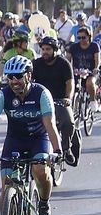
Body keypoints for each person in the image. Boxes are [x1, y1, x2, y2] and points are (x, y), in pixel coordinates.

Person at [0, 55, 61, 215]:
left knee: (40, 170)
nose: (14, 81)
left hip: (38, 139)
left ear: (28, 75)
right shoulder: (3, 95)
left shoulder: (41, 93)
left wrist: (56, 151)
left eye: (18, 76)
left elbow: (50, 124)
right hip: (15, 140)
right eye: (10, 77)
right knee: (6, 188)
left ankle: (43, 203)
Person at [31, 35, 77, 165]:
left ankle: (66, 149)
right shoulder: (36, 64)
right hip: (40, 101)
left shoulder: (64, 64)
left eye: (48, 49)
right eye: (43, 49)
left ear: (55, 50)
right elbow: (28, 81)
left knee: (68, 122)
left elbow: (70, 83)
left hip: (59, 101)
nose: (45, 52)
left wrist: (68, 98)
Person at [68, 25, 97, 107]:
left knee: (89, 83)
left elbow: (97, 60)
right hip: (76, 72)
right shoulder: (73, 47)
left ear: (89, 37)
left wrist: (96, 68)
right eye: (79, 38)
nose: (81, 40)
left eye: (83, 37)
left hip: (90, 71)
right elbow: (67, 60)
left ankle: (92, 101)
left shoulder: (94, 46)